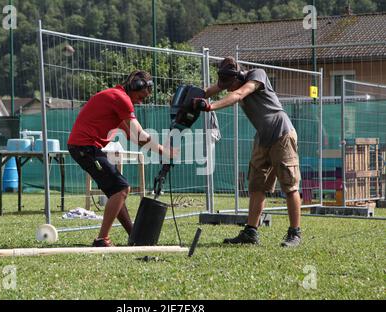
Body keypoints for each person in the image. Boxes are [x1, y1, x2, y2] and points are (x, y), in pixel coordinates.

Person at [193, 57, 302, 247]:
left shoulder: (256, 75)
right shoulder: (231, 81)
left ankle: (294, 234)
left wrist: (210, 106)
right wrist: (186, 98)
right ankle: (250, 233)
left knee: (289, 184)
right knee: (256, 185)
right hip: (262, 136)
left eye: (229, 85)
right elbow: (207, 91)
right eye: (224, 85)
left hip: (282, 133)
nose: (227, 89)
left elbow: (239, 94)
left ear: (239, 76)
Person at [68, 70, 173, 247]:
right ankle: (101, 239)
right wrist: (163, 150)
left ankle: (134, 236)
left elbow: (134, 137)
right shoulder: (121, 98)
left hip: (85, 147)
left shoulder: (117, 98)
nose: (141, 101)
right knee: (122, 188)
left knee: (117, 191)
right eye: (141, 95)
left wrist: (159, 151)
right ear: (135, 86)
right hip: (85, 148)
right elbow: (139, 132)